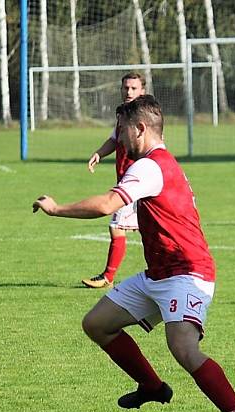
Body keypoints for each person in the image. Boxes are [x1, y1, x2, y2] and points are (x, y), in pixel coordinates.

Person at [33, 95, 235, 412]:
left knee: (182, 347)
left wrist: (57, 208)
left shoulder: (151, 166)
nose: (120, 139)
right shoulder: (157, 163)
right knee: (97, 323)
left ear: (140, 129)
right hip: (158, 272)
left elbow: (109, 204)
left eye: (123, 131)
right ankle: (152, 387)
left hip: (187, 272)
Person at [82, 72, 146, 289]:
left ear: (142, 91)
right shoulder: (123, 115)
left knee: (117, 225)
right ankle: (165, 272)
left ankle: (107, 277)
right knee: (149, 229)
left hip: (136, 182)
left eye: (133, 88)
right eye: (126, 88)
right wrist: (99, 153)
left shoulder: (145, 116)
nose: (129, 92)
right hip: (128, 180)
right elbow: (114, 139)